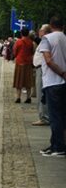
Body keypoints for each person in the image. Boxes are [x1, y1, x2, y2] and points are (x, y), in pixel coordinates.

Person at [37, 16, 66, 157]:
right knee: (62, 115)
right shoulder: (65, 38)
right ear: (63, 26)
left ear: (51, 25)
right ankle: (55, 144)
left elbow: (48, 60)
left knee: (55, 117)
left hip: (53, 81)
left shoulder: (47, 39)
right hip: (63, 83)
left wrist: (62, 73)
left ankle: (59, 147)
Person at [32, 25, 51, 126]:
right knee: (41, 94)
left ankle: (44, 117)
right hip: (40, 68)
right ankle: (43, 116)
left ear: (45, 31)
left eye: (41, 30)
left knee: (41, 94)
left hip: (42, 69)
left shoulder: (46, 41)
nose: (39, 31)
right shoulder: (44, 40)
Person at [13, 28, 35, 103]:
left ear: (21, 34)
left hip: (20, 62)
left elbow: (15, 52)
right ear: (28, 33)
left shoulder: (18, 42)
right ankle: (28, 98)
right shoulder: (31, 42)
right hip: (28, 63)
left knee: (19, 81)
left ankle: (18, 97)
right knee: (28, 81)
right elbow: (32, 52)